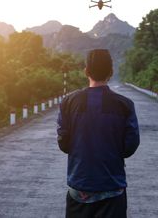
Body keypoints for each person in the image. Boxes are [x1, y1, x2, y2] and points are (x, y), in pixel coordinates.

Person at [57, 49, 140, 218]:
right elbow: (130, 146)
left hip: (79, 188)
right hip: (112, 188)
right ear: (111, 72)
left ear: (86, 71)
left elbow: (63, 143)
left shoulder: (68, 102)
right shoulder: (125, 105)